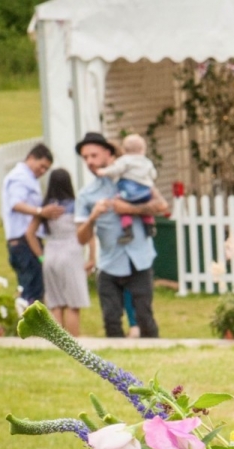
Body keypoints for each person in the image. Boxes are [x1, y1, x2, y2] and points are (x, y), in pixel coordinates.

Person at [74, 132, 167, 338]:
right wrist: (92, 217)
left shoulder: (133, 179)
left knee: (144, 316)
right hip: (109, 263)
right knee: (110, 319)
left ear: (108, 154)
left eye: (94, 155)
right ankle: (115, 367)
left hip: (139, 260)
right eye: (85, 158)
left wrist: (129, 209)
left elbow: (161, 205)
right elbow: (80, 238)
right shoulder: (86, 194)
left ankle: (157, 356)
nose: (90, 161)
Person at [24, 169, 94, 336]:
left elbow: (29, 234)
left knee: (55, 303)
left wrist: (41, 256)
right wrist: (92, 257)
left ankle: (57, 344)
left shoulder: (46, 208)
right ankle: (74, 344)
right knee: (73, 303)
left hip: (51, 253)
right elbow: (87, 233)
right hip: (71, 253)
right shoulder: (75, 205)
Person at [1, 143, 64, 303]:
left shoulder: (28, 178)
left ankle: (27, 325)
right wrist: (40, 211)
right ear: (30, 157)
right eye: (41, 166)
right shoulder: (20, 177)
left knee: (32, 289)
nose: (42, 171)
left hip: (27, 242)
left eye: (46, 169)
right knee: (31, 293)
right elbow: (16, 203)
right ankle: (28, 327)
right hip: (23, 242)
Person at [98, 134, 158, 244]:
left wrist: (103, 171)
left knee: (121, 204)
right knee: (145, 204)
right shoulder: (147, 162)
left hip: (129, 192)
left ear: (124, 150)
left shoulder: (124, 160)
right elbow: (153, 175)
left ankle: (127, 229)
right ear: (142, 150)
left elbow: (115, 170)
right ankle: (149, 225)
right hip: (145, 192)